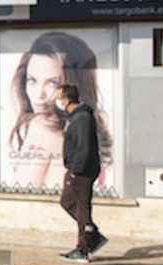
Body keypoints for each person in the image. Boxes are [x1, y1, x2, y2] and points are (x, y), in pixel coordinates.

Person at [9, 31, 113, 192]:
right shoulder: (86, 124)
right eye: (32, 81)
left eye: (52, 83)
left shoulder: (43, 125)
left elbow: (21, 190)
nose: (40, 94)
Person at [56, 83, 109, 263]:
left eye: (59, 98)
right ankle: (92, 236)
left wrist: (75, 171)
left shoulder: (81, 118)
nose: (57, 102)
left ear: (67, 99)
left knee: (82, 210)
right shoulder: (75, 117)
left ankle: (84, 248)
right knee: (69, 203)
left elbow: (83, 148)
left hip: (82, 172)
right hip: (76, 170)